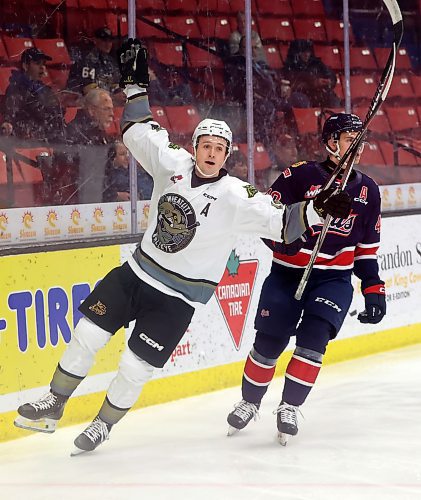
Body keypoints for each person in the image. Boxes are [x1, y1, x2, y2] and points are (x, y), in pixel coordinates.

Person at [14, 39, 351, 455]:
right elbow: (139, 131)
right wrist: (135, 86)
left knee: (135, 368)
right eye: (206, 145)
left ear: (227, 155)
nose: (211, 153)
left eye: (220, 149)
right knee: (86, 333)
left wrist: (318, 210)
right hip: (136, 273)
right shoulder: (173, 163)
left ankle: (103, 424)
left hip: (177, 299)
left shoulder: (237, 195)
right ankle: (55, 402)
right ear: (195, 147)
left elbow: (283, 223)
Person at [227, 113, 387, 445]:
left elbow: (367, 249)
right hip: (287, 274)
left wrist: (373, 289)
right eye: (350, 139)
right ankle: (250, 401)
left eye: (361, 140)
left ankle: (289, 406)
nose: (358, 147)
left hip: (334, 280)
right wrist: (295, 238)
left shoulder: (368, 191)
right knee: (269, 342)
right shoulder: (297, 177)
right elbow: (264, 225)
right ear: (331, 142)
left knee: (314, 340)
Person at [1, 47, 65, 142]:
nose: (42, 67)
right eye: (37, 63)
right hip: (27, 142)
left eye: (43, 64)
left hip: (46, 138)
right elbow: (12, 119)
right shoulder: (16, 88)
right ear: (25, 66)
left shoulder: (44, 89)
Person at [66, 88, 114, 204]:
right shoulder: (79, 133)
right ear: (92, 111)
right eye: (106, 109)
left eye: (112, 109)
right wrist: (114, 195)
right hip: (82, 205)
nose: (112, 114)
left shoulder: (96, 131)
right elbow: (87, 179)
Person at [283, 39, 340, 109]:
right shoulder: (290, 66)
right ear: (297, 52)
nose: (307, 54)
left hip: (318, 93)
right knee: (301, 100)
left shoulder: (316, 63)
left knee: (332, 99)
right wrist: (314, 82)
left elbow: (329, 74)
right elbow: (294, 84)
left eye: (308, 52)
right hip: (303, 95)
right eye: (303, 52)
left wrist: (329, 81)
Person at [67, 27, 122, 98]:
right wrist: (112, 97)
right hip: (83, 101)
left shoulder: (111, 61)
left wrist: (119, 94)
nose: (108, 44)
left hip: (104, 100)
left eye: (110, 41)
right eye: (104, 40)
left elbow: (116, 83)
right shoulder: (87, 60)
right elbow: (88, 89)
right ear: (95, 40)